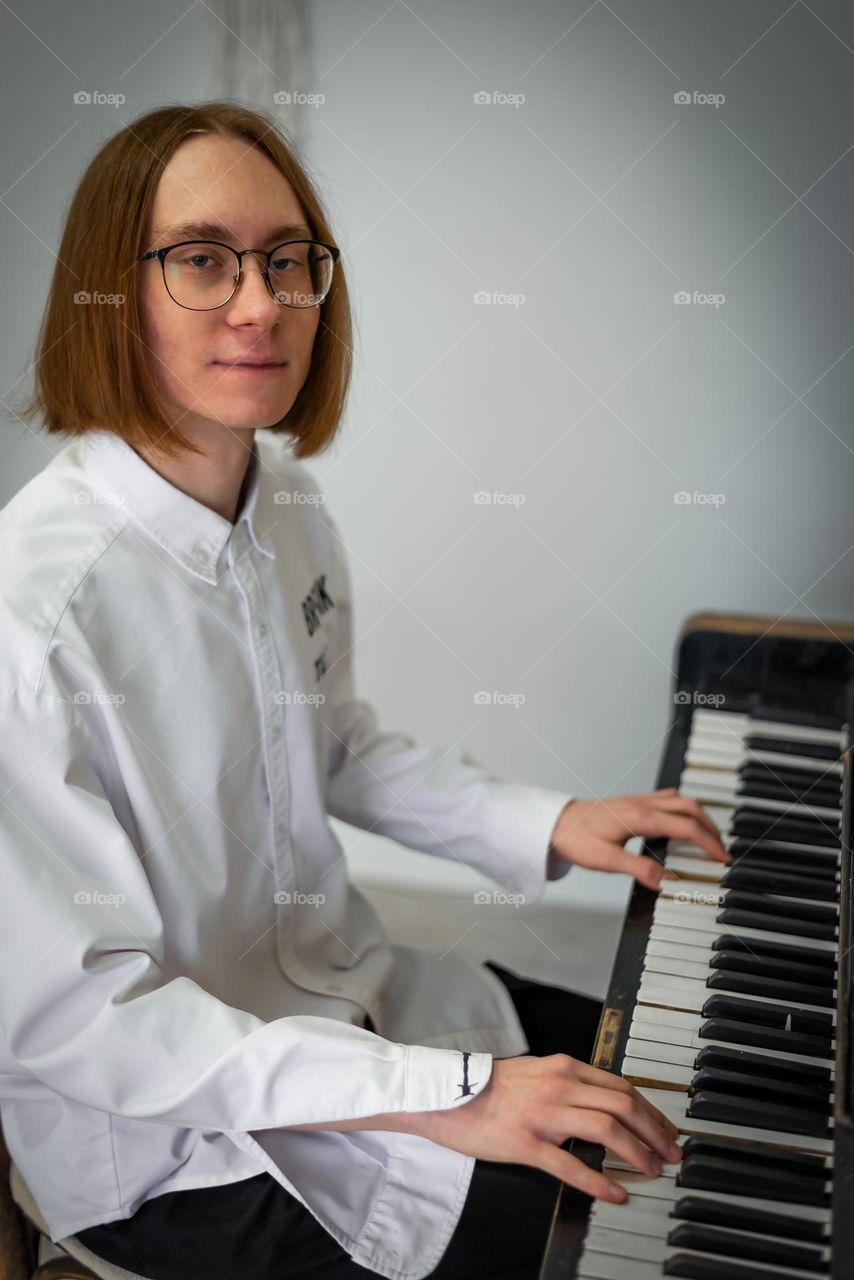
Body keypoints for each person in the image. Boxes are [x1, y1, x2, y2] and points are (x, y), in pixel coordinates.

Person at [1, 102, 729, 1280]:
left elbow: (329, 746)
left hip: (347, 998)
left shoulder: (285, 506)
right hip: (175, 1141)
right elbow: (94, 1026)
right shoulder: (26, 615)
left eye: (288, 259)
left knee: (684, 1091)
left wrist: (544, 822)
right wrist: (448, 1094)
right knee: (629, 1242)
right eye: (202, 259)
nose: (262, 301)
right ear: (108, 293)